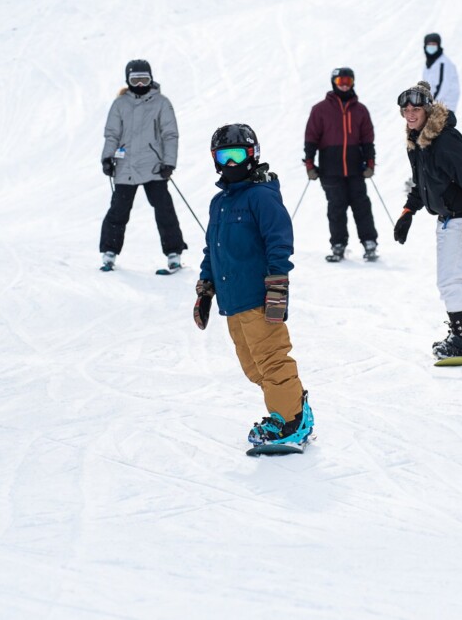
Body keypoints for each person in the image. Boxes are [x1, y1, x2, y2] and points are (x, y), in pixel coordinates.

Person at [194, 124, 314, 449]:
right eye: (224, 157)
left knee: (272, 359)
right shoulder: (219, 203)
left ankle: (290, 421)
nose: (231, 163)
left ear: (253, 155)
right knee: (254, 366)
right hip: (232, 301)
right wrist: (205, 291)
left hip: (259, 298)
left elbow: (279, 243)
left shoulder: (261, 197)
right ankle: (292, 409)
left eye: (237, 155)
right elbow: (212, 249)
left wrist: (278, 288)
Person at [391, 82, 462, 362]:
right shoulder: (417, 142)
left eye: (416, 108)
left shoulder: (446, 141)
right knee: (448, 279)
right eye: (405, 110)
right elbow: (421, 185)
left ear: (427, 109)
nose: (410, 114)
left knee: (451, 280)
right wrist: (408, 211)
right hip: (447, 218)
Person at [99, 60, 186, 272]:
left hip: (154, 167)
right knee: (118, 211)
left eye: (144, 80)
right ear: (127, 81)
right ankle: (109, 251)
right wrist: (107, 158)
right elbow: (112, 134)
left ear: (151, 79)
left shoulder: (161, 103)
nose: (139, 84)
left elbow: (170, 134)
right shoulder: (120, 104)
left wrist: (169, 162)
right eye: (135, 80)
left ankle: (173, 252)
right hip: (125, 167)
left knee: (164, 210)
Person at [303, 67, 379, 262]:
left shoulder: (360, 110)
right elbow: (311, 138)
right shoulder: (320, 109)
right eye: (340, 81)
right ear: (333, 83)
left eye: (348, 81)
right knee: (336, 207)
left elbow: (367, 139)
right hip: (330, 168)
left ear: (353, 82)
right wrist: (310, 164)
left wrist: (370, 163)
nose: (344, 85)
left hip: (355, 168)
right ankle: (338, 244)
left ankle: (369, 242)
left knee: (361, 205)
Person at [421, 32, 461, 113]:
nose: (431, 47)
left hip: (444, 106)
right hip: (433, 105)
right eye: (429, 44)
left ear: (438, 45)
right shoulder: (429, 64)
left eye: (433, 44)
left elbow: (444, 86)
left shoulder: (444, 63)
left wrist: (432, 103)